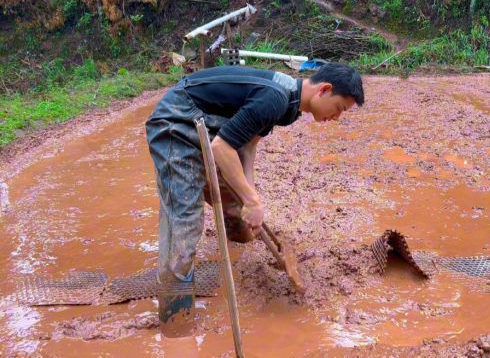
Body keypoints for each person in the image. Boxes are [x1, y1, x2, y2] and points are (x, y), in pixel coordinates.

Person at [145, 62, 364, 337]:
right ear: (325, 90)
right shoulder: (276, 97)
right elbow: (221, 147)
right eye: (340, 109)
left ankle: (229, 219)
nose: (337, 118)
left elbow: (247, 145)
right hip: (176, 124)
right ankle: (175, 325)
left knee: (240, 214)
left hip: (210, 129)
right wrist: (252, 200)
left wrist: (250, 195)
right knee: (185, 222)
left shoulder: (290, 106)